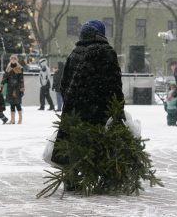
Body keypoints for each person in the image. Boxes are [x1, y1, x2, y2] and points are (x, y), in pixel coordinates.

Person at [51, 19, 124, 165]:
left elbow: (64, 84)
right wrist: (118, 108)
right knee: (99, 148)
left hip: (75, 110)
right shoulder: (106, 52)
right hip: (99, 109)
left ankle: (71, 178)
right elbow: (114, 83)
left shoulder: (74, 53)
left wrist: (72, 101)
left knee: (74, 145)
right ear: (101, 34)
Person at [1, 54, 24, 124]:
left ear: (16, 60)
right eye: (12, 59)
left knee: (17, 104)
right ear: (10, 60)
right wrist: (2, 84)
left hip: (17, 88)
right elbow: (5, 77)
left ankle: (20, 119)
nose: (13, 60)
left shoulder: (20, 68)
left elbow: (21, 79)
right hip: (10, 88)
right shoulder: (8, 68)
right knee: (12, 104)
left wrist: (22, 88)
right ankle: (12, 120)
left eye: (14, 59)